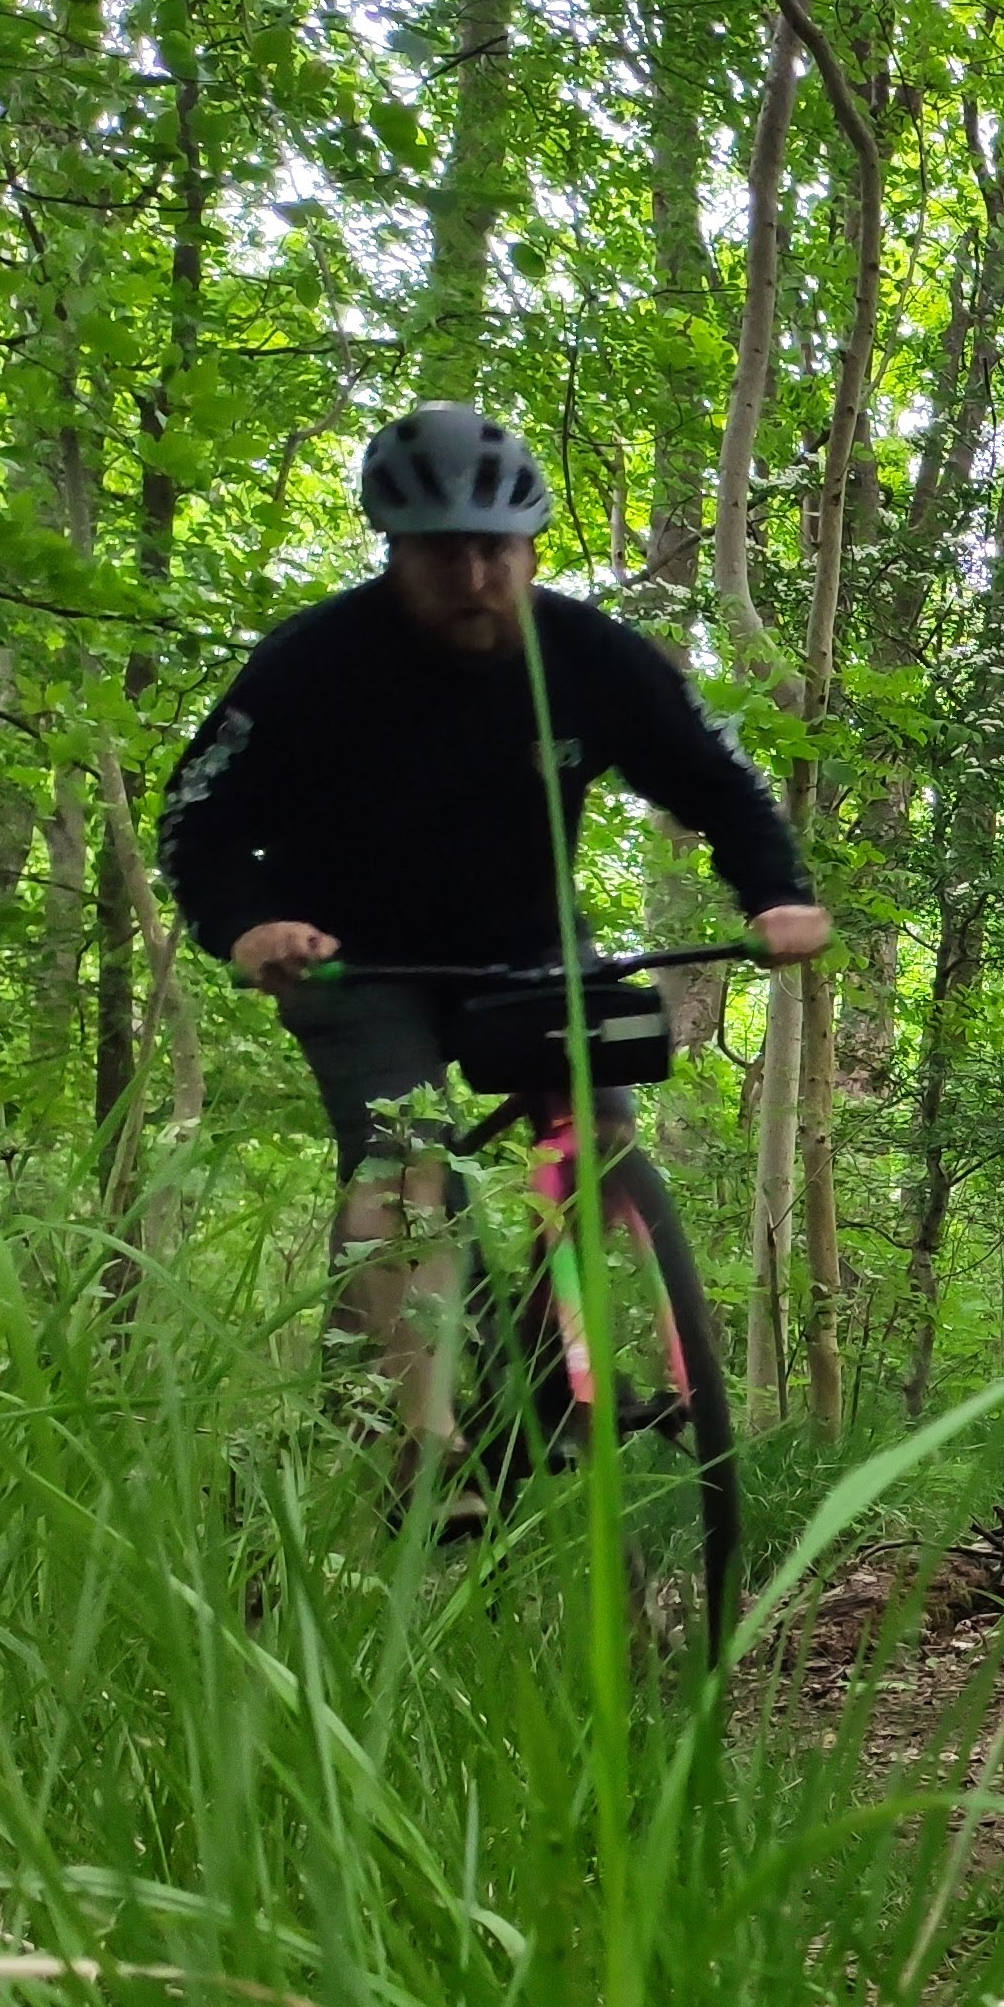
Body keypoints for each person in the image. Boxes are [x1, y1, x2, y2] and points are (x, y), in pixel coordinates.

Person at [161, 402, 831, 1496]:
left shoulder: (589, 656)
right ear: (394, 552)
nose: (472, 576)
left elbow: (716, 779)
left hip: (529, 944)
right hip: (356, 955)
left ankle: (553, 1366)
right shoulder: (314, 662)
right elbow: (199, 818)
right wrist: (248, 925)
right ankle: (426, 1458)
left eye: (493, 550)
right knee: (408, 1160)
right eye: (441, 554)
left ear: (531, 547)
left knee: (599, 1140)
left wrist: (776, 895)